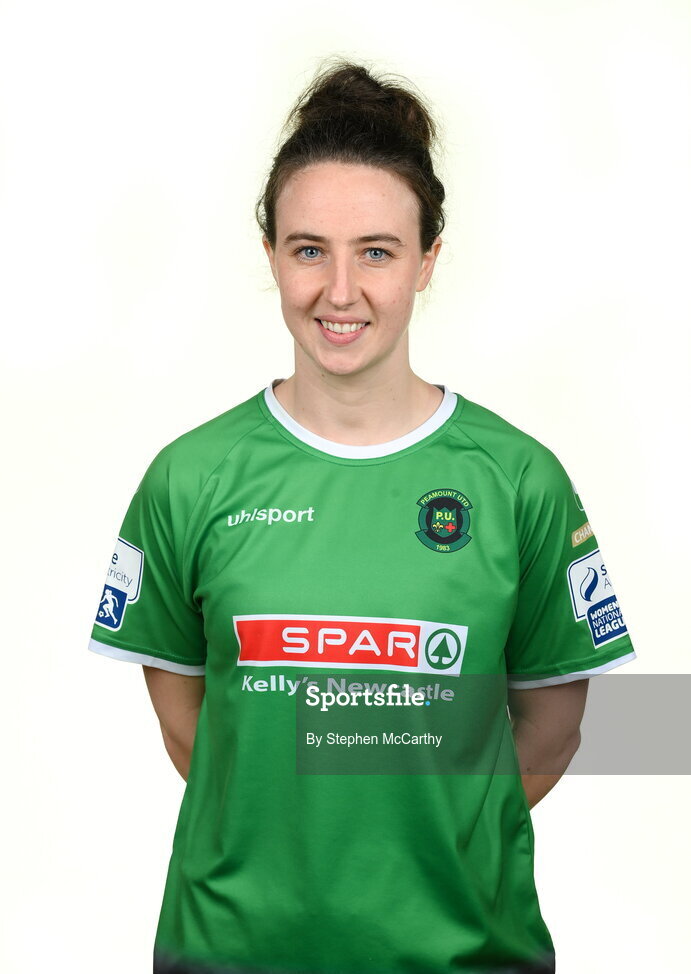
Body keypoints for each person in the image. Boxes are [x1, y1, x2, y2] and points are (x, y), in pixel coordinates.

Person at [88, 58, 637, 974]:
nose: (339, 292)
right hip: (231, 953)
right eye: (310, 249)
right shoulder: (189, 478)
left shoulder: (519, 481)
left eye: (375, 251)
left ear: (426, 261)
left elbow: (554, 730)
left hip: (461, 956)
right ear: (271, 256)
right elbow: (193, 733)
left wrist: (425, 840)